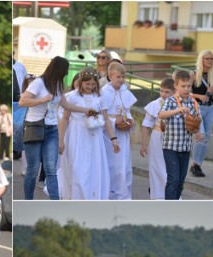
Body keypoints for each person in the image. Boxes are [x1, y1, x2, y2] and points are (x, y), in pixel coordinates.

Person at [18, 56, 96, 200]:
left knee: (51, 168)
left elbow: (66, 105)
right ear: (58, 70)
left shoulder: (58, 85)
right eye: (65, 70)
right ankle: (28, 200)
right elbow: (22, 101)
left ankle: (55, 202)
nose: (66, 73)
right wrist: (42, 99)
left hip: (52, 129)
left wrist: (85, 110)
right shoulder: (38, 83)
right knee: (33, 169)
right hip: (35, 127)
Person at [58, 67, 119, 200]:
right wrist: (61, 140)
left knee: (93, 168)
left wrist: (114, 138)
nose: (90, 87)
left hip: (94, 136)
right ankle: (78, 197)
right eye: (87, 84)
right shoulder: (72, 96)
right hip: (77, 135)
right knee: (79, 168)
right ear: (81, 82)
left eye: (93, 84)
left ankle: (93, 197)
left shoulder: (99, 97)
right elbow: (65, 118)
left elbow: (106, 119)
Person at [158, 70, 203, 200]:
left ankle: (177, 204)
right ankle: (170, 209)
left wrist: (198, 132)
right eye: (183, 86)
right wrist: (178, 110)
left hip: (185, 147)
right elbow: (161, 114)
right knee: (173, 180)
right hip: (171, 147)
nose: (186, 89)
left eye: (189, 86)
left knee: (180, 182)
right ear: (176, 86)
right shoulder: (171, 100)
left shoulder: (193, 102)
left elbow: (197, 120)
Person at [100, 62, 137, 200]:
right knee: (111, 165)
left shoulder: (125, 92)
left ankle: (124, 196)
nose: (121, 80)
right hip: (109, 135)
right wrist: (116, 121)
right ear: (110, 76)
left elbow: (127, 111)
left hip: (123, 134)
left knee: (124, 167)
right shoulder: (103, 93)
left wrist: (130, 121)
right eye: (118, 77)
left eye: (123, 77)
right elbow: (101, 115)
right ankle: (109, 194)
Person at [140, 78, 175, 200]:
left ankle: (172, 194)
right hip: (157, 137)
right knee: (156, 166)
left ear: (174, 91)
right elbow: (146, 125)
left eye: (167, 92)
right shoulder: (155, 104)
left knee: (170, 167)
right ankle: (157, 196)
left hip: (172, 139)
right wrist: (143, 144)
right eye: (161, 91)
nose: (163, 94)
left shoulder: (178, 104)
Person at [189, 50, 213, 178]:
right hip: (197, 108)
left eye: (211, 59)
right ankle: (195, 165)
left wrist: (212, 91)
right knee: (200, 136)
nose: (209, 61)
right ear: (201, 60)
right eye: (207, 58)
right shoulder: (194, 74)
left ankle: (197, 164)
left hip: (210, 108)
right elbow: (186, 93)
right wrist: (200, 96)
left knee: (206, 138)